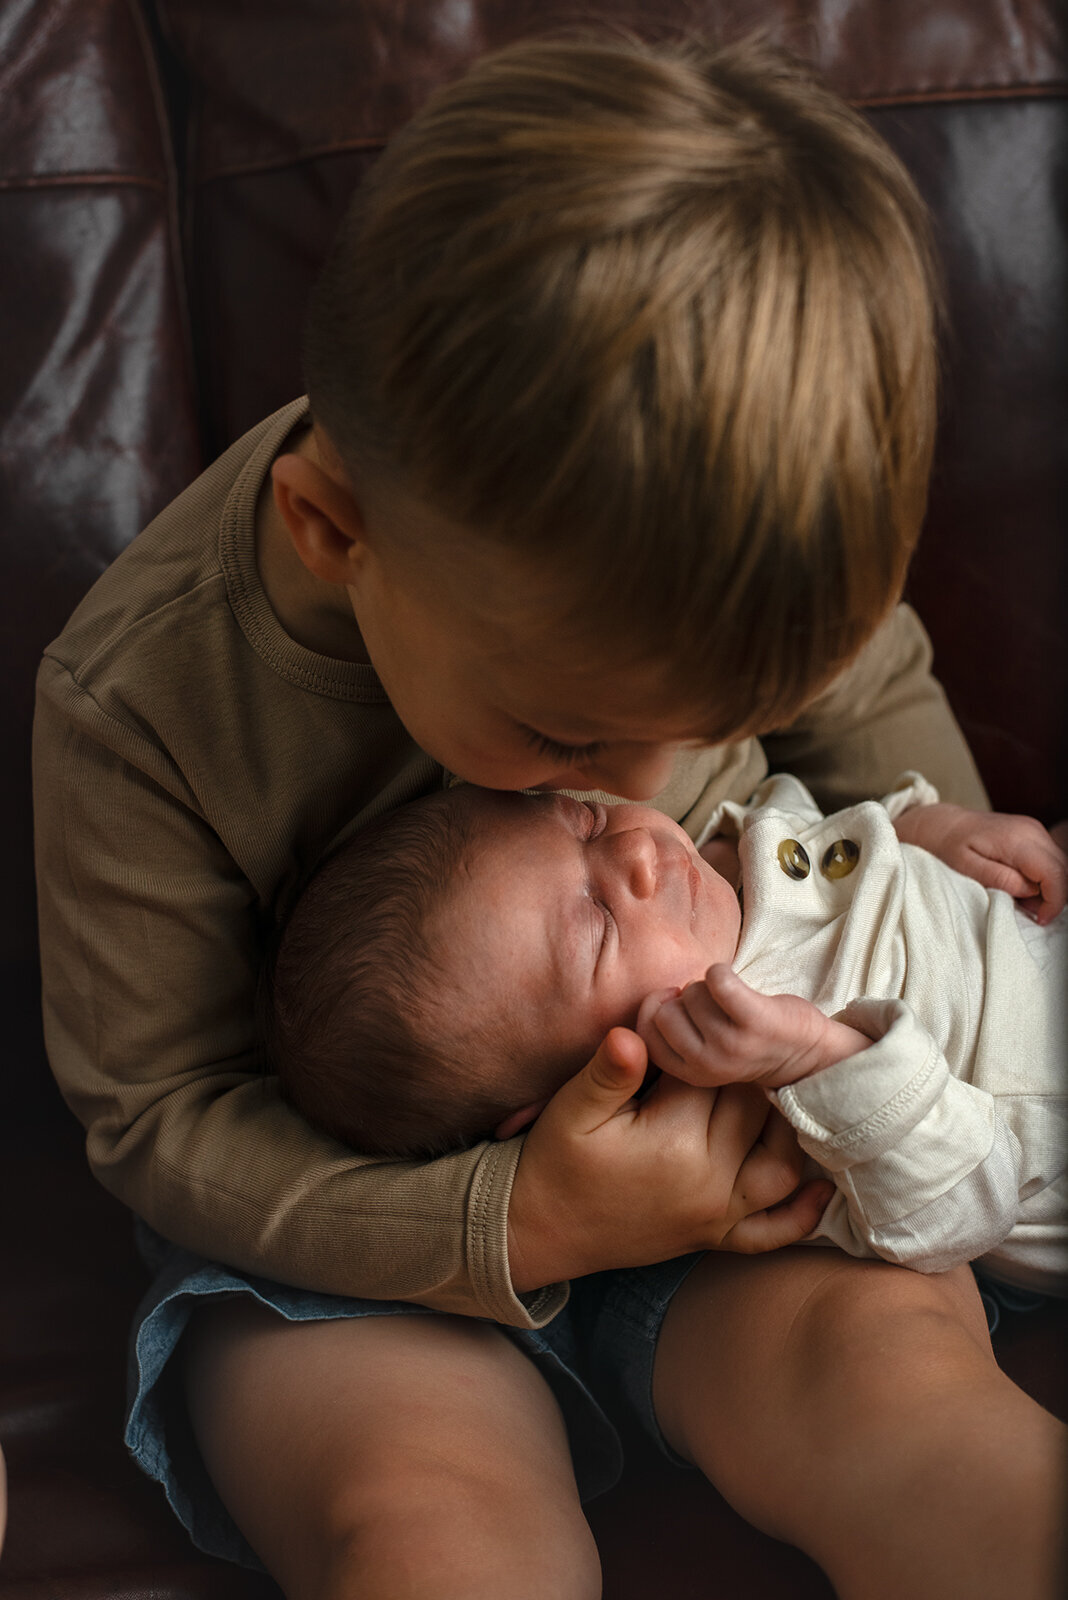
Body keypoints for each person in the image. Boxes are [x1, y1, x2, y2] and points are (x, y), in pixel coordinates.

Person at [32, 31, 1064, 1600]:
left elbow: (876, 698)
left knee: (909, 1412)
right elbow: (164, 1112)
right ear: (333, 534)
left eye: (705, 725)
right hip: (348, 1240)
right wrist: (509, 1219)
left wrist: (938, 850)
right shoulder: (139, 704)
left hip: (753, 1162)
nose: (643, 792)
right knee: (432, 1523)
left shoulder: (718, 528)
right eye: (571, 733)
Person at [267, 774, 1068, 1294]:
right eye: (599, 927)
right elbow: (969, 1208)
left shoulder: (732, 860)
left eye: (582, 819)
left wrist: (930, 826)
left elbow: (843, 836)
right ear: (577, 1094)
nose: (636, 854)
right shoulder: (751, 1119)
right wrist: (815, 1058)